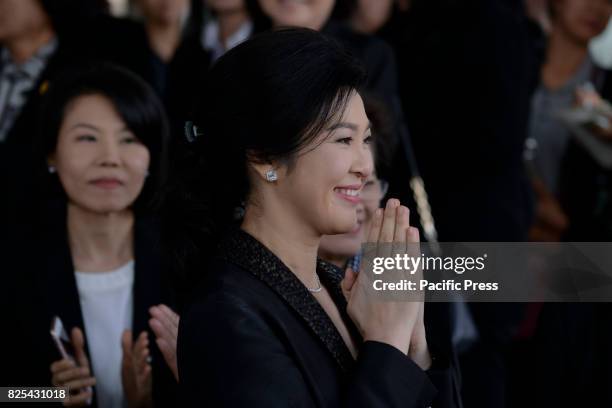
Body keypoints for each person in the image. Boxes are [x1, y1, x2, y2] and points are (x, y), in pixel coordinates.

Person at [175, 28, 460, 407]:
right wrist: (387, 343)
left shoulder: (336, 284)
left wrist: (413, 343)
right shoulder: (225, 317)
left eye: (366, 140)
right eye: (343, 140)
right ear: (265, 157)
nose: (364, 166)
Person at [1, 64, 177, 407]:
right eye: (87, 138)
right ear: (52, 153)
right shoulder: (13, 263)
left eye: (129, 139)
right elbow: (7, 393)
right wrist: (48, 395)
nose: (110, 158)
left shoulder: (187, 260)